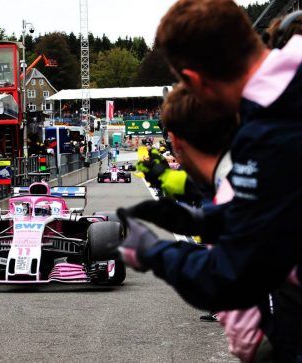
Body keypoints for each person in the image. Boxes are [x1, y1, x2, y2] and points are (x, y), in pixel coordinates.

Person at [113, 1, 302, 360]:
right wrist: (199, 220)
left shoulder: (267, 131)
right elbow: (276, 209)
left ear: (196, 80)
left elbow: (235, 275)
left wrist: (154, 252)